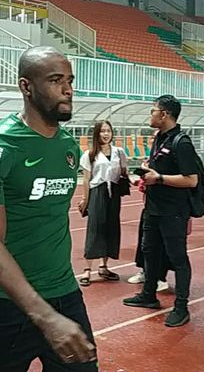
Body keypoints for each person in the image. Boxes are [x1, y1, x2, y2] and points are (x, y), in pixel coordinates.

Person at [0, 46, 97, 372]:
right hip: (4, 305)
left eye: (70, 80)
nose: (68, 89)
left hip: (64, 294)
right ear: (27, 87)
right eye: (55, 80)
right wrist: (45, 317)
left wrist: (56, 313)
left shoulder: (67, 145)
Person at [122, 95, 198, 328]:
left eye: (153, 110)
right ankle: (148, 294)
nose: (150, 114)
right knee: (149, 251)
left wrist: (160, 178)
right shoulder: (160, 139)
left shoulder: (181, 142)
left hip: (173, 211)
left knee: (177, 257)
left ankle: (181, 307)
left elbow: (191, 180)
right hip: (153, 208)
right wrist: (148, 171)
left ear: (164, 114)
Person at [76, 120, 126, 286]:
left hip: (114, 194)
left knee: (111, 228)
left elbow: (124, 173)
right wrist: (85, 199)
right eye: (102, 131)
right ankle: (87, 269)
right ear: (96, 133)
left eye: (108, 131)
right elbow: (86, 179)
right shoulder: (89, 154)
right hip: (97, 192)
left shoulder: (119, 152)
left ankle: (104, 266)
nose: (106, 134)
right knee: (95, 228)